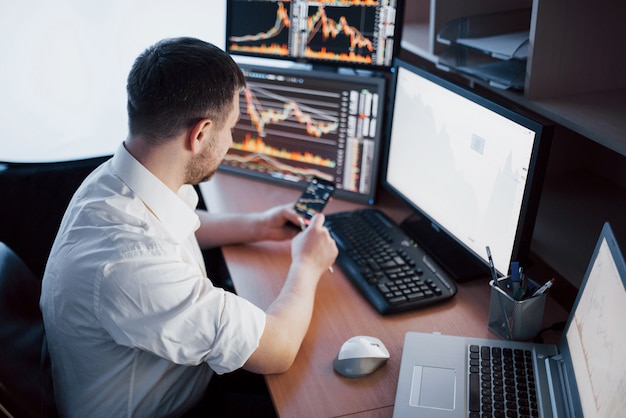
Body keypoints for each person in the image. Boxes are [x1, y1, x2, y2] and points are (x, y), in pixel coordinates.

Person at [40, 37, 338, 417]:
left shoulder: (117, 180)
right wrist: (308, 265)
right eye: (231, 127)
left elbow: (170, 231)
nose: (231, 141)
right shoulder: (132, 266)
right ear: (200, 134)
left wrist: (258, 226)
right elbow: (278, 350)